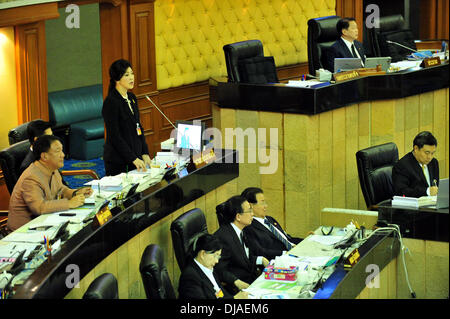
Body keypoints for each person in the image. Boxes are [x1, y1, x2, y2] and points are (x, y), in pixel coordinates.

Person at [7, 135, 92, 232]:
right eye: (57, 151)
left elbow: (61, 189)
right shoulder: (30, 178)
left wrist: (76, 193)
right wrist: (69, 203)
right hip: (24, 231)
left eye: (62, 150)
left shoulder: (52, 168)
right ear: (44, 156)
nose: (63, 155)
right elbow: (39, 207)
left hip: (45, 223)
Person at [102, 59, 151, 176]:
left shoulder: (132, 98)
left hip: (136, 157)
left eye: (132, 74)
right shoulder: (111, 102)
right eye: (127, 75)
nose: (131, 78)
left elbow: (139, 127)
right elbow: (115, 136)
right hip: (119, 161)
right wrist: (133, 158)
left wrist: (145, 152)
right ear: (117, 79)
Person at [213, 195, 269, 293]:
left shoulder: (242, 229)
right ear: (238, 216)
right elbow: (219, 269)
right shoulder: (223, 238)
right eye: (249, 211)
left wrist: (261, 260)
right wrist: (236, 282)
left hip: (252, 279)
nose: (252, 214)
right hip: (239, 287)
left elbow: (245, 257)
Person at [178, 234, 248, 299]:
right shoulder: (190, 277)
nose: (217, 261)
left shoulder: (207, 267)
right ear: (202, 254)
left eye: (218, 256)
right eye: (215, 255)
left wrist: (236, 283)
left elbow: (220, 289)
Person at [241, 187, 302, 260]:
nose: (266, 206)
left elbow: (288, 238)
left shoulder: (270, 219)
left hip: (296, 251)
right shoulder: (249, 227)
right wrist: (284, 253)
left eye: (265, 202)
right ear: (251, 206)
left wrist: (308, 239)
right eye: (262, 202)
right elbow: (260, 251)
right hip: (282, 259)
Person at [393, 131, 439, 197]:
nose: (430, 157)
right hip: (412, 205)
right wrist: (427, 191)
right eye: (427, 152)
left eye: (432, 153)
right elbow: (402, 192)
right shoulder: (402, 166)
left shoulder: (434, 163)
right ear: (416, 149)